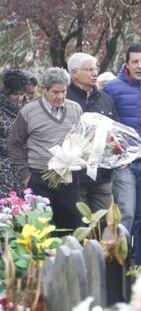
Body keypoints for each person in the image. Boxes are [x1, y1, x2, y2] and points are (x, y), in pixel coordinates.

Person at [104, 42, 141, 266]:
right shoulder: (112, 88)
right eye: (135, 61)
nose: (140, 66)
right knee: (127, 213)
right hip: (124, 165)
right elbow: (106, 127)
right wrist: (117, 157)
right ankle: (121, 258)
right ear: (127, 63)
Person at [8, 67, 83, 229]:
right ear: (43, 89)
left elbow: (81, 139)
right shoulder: (28, 111)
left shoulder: (75, 109)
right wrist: (26, 176)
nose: (61, 96)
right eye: (56, 92)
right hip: (39, 179)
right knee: (41, 229)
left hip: (68, 179)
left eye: (64, 91)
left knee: (70, 227)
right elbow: (14, 144)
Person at [66, 52, 118, 212]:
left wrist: (117, 145)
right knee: (80, 225)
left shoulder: (106, 99)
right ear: (74, 73)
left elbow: (116, 130)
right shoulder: (64, 98)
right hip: (74, 175)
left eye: (95, 69)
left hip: (102, 175)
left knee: (106, 223)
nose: (95, 73)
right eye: (89, 69)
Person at [0, 69, 29, 197]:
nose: (19, 98)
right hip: (3, 168)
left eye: (22, 93)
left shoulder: (29, 108)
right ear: (6, 92)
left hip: (26, 167)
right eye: (15, 94)